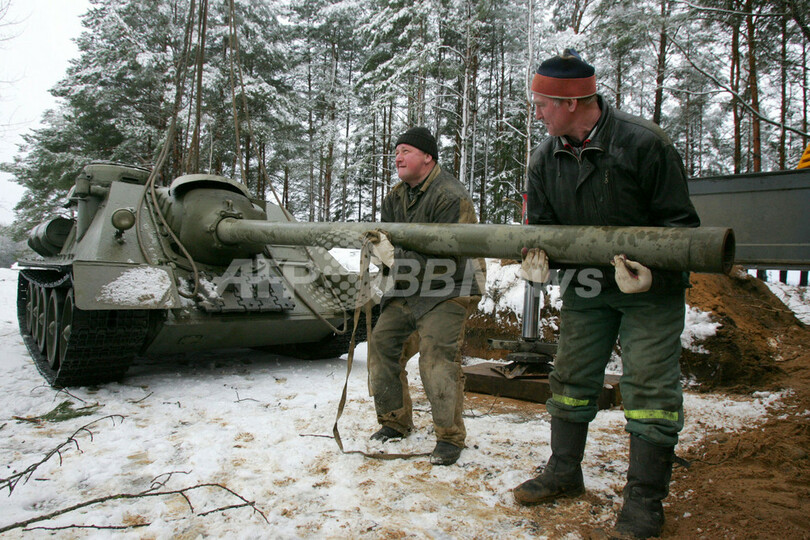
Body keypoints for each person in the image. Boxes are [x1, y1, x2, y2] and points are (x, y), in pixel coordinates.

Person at [514, 49, 700, 538]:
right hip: (587, 286)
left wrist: (653, 274)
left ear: (571, 103)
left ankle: (643, 501)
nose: (536, 113)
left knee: (650, 390)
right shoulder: (544, 158)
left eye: (541, 104)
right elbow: (545, 231)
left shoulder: (644, 144)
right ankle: (564, 471)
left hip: (649, 289)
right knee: (571, 374)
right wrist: (543, 265)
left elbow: (682, 227)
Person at [365, 126, 485, 466]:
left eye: (406, 151)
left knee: (434, 357)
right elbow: (388, 241)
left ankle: (449, 437)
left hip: (452, 286)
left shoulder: (451, 196)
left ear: (428, 157)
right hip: (410, 284)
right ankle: (394, 422)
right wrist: (380, 254)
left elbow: (449, 260)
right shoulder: (395, 196)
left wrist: (393, 258)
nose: (398, 157)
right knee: (382, 344)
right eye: (396, 152)